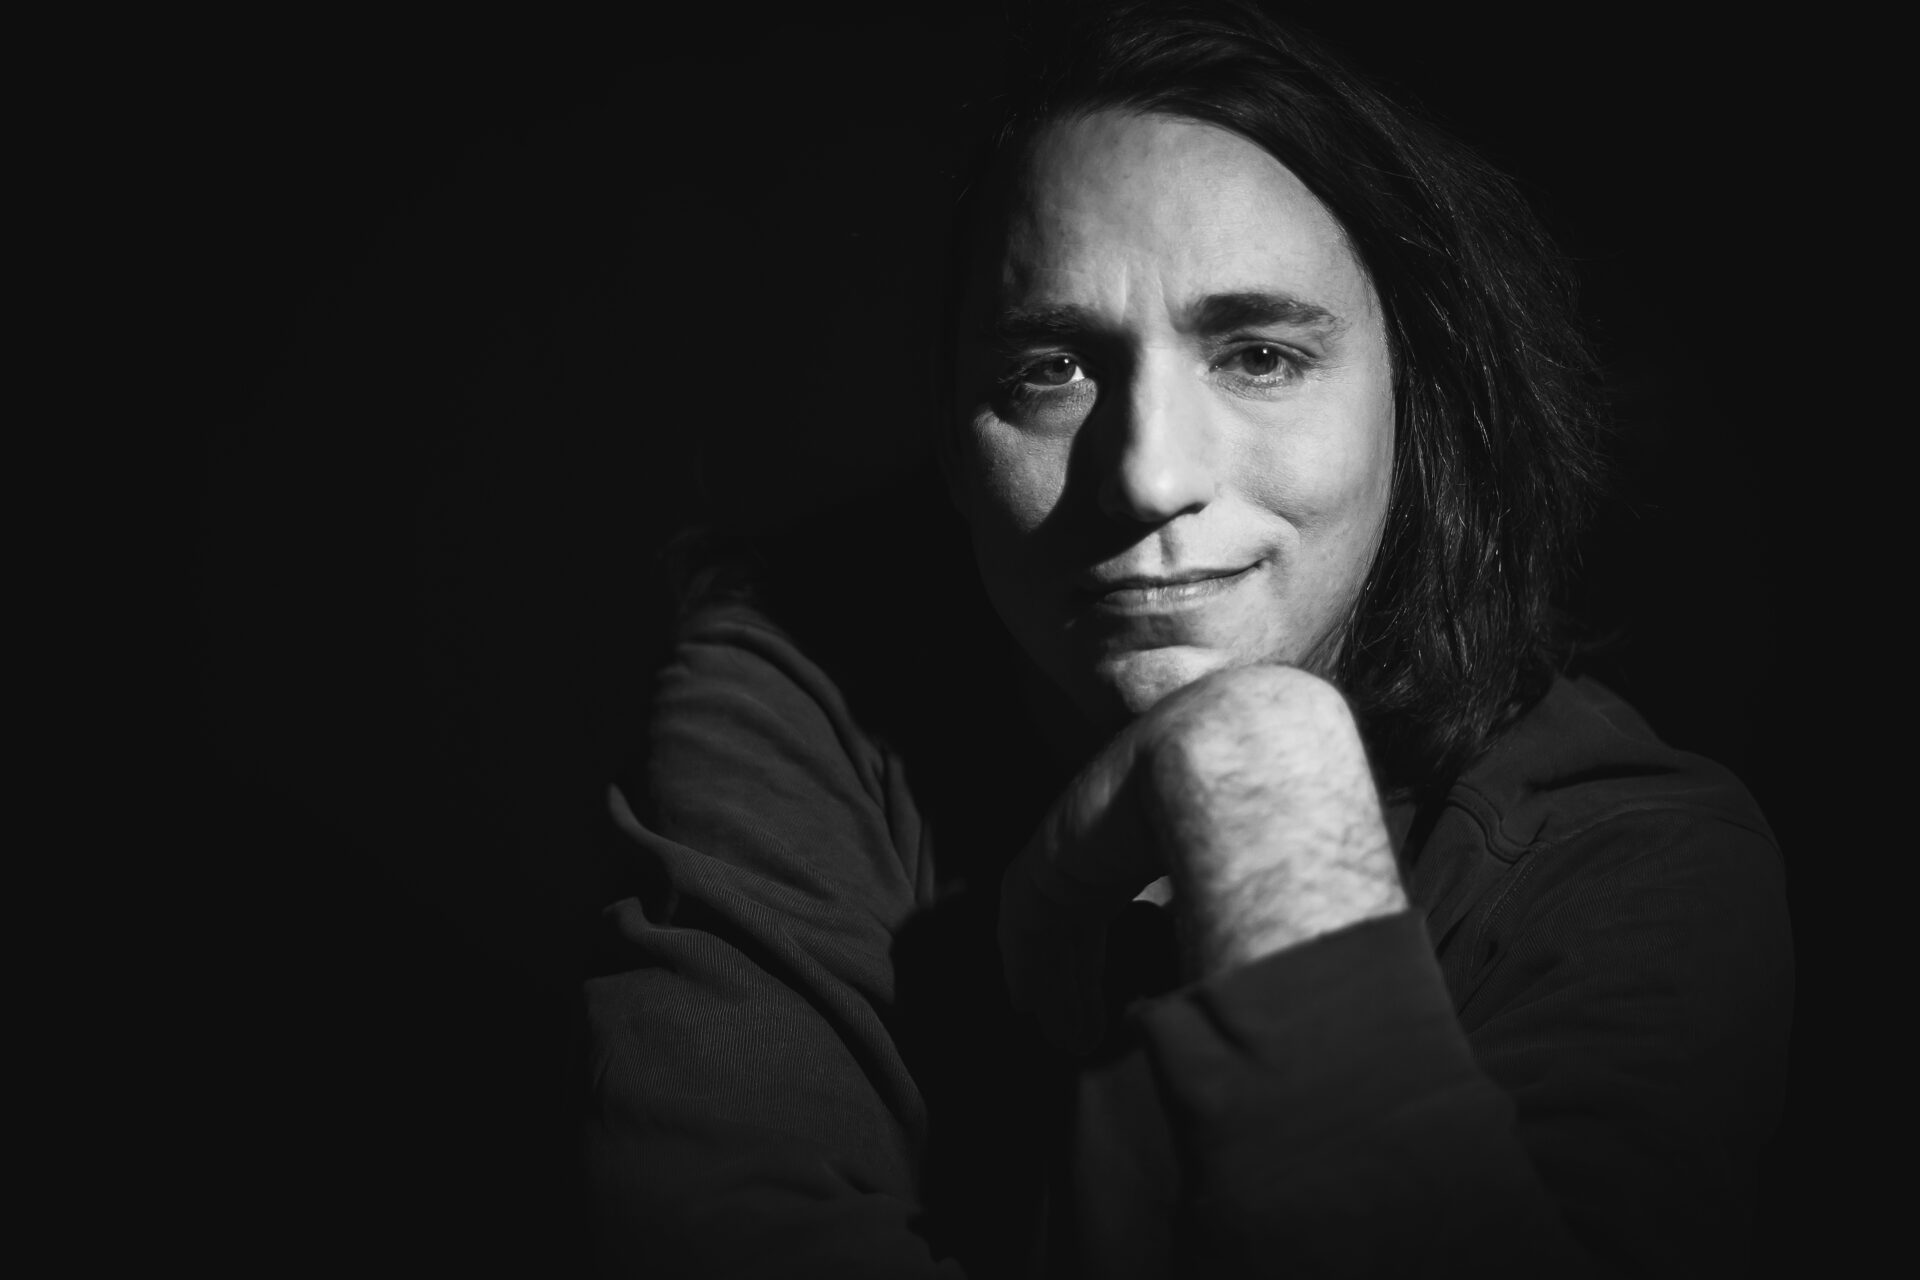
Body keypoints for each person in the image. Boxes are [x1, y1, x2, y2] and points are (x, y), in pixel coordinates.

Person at [582, 2, 1793, 1275]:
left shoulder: (1632, 862)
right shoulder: (804, 690)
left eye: (1260, 356)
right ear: (950, 431)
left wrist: (1263, 777)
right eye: (1050, 369)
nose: (1150, 476)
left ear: (1414, 398)